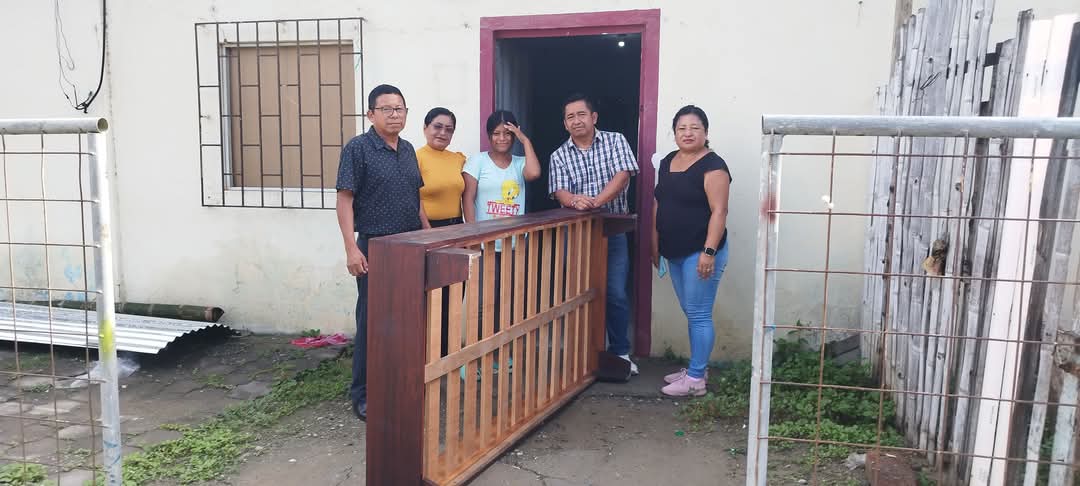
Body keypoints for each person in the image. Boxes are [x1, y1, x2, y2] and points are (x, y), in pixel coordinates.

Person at [335, 84, 430, 421]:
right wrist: (351, 248)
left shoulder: (408, 150)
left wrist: (430, 236)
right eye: (386, 109)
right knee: (372, 322)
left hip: (411, 247)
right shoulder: (358, 149)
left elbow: (415, 199)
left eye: (399, 108)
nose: (394, 114)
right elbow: (344, 199)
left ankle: (399, 385)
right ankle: (363, 394)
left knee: (407, 320)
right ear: (370, 114)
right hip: (374, 247)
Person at [549, 93, 640, 374]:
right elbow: (559, 191)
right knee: (578, 294)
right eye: (570, 117)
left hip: (612, 231)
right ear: (565, 123)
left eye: (581, 114)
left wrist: (596, 202)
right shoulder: (558, 155)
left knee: (615, 293)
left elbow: (623, 175)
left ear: (594, 117)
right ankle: (582, 357)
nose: (576, 121)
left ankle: (620, 353)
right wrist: (573, 200)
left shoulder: (615, 141)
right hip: (577, 234)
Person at [652, 105, 732, 397]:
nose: (688, 133)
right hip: (673, 250)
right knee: (692, 311)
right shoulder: (667, 162)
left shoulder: (714, 166)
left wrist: (708, 252)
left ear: (705, 132)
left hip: (700, 252)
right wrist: (655, 245)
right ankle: (697, 367)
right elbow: (659, 203)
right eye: (681, 128)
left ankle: (696, 379)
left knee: (698, 313)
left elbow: (719, 212)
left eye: (694, 128)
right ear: (674, 133)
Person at [462, 110, 541, 335]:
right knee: (481, 300)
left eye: (507, 133)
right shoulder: (477, 161)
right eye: (496, 133)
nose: (502, 138)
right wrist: (473, 235)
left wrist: (525, 140)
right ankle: (477, 350)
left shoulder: (520, 163)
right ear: (489, 135)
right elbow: (467, 198)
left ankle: (501, 349)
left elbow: (534, 173)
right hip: (484, 243)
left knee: (507, 300)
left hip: (513, 245)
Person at [417, 107, 467, 228]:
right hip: (427, 227)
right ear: (425, 128)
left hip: (457, 226)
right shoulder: (415, 158)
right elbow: (412, 199)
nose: (443, 133)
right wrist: (427, 229)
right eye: (437, 127)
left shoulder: (459, 159)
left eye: (449, 129)